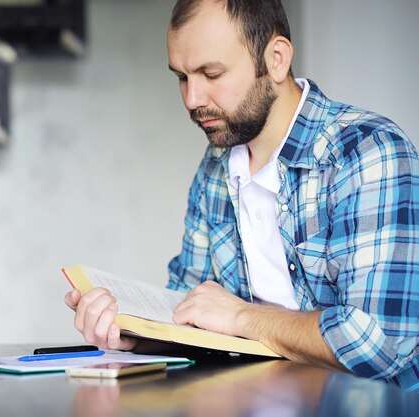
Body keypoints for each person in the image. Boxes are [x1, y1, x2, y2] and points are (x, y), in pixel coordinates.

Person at [65, 0, 419, 390]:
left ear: (277, 60)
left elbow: (379, 343)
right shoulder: (216, 167)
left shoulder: (367, 152)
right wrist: (133, 332)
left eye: (211, 73)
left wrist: (243, 317)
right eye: (182, 77)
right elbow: (190, 309)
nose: (192, 99)